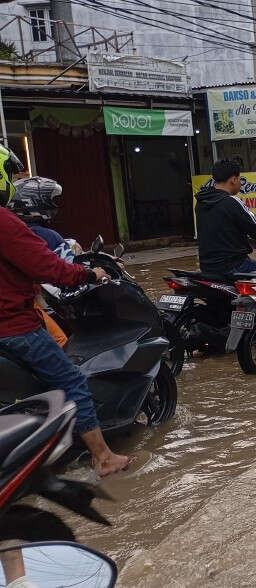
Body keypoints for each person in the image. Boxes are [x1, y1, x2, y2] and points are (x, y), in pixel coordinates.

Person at [0, 146, 130, 477]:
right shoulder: (6, 223)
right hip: (14, 327)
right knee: (72, 380)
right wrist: (89, 274)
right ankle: (103, 457)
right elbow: (47, 266)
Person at [8, 177, 71, 346]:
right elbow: (63, 266)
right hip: (22, 308)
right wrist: (90, 273)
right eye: (50, 199)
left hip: (22, 304)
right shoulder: (40, 234)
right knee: (61, 342)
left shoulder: (16, 231)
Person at [194, 160, 256, 275]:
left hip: (208, 267)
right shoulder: (231, 202)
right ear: (233, 180)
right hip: (234, 266)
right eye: (240, 179)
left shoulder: (201, 202)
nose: (240, 183)